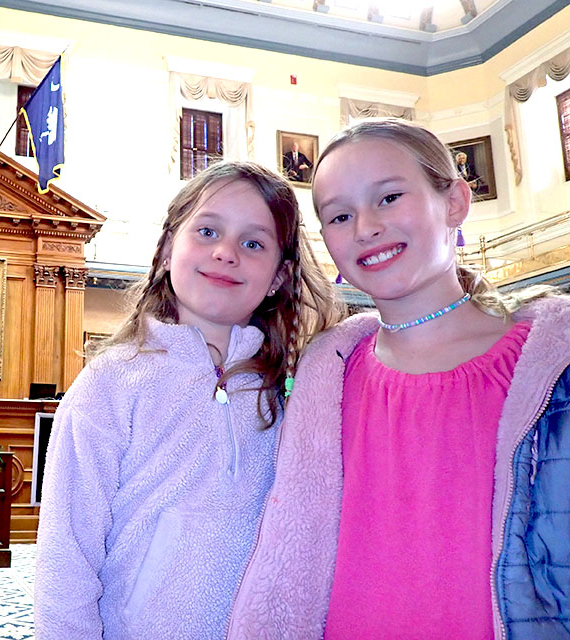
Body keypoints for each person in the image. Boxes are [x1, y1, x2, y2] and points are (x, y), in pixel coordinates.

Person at [227, 118, 570, 639]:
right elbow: (289, 555)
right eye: (339, 216)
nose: (365, 226)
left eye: (388, 198)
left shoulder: (552, 367)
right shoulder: (329, 376)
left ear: (455, 201)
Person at [34, 161, 341, 639]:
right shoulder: (110, 385)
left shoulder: (294, 391)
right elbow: (65, 557)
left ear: (279, 276)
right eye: (207, 231)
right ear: (166, 249)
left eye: (253, 243)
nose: (225, 252)